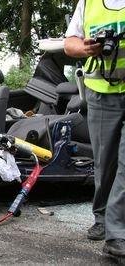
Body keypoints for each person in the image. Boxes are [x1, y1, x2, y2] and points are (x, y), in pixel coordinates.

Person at [64, 0, 125, 258]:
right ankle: (102, 217)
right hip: (100, 93)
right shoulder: (88, 3)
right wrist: (86, 48)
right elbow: (70, 43)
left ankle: (117, 234)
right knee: (105, 162)